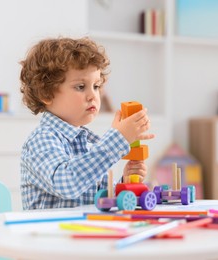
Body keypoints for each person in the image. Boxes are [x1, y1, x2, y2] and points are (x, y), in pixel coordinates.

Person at [19, 36, 155, 210]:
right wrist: (118, 139)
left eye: (96, 86)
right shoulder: (41, 140)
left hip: (83, 231)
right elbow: (69, 183)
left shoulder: (90, 143)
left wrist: (124, 182)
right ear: (46, 94)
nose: (93, 96)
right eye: (81, 87)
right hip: (48, 235)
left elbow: (99, 198)